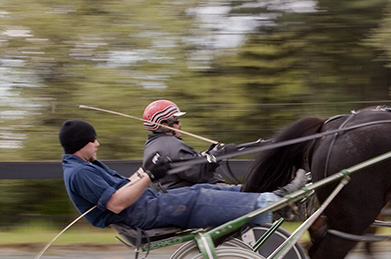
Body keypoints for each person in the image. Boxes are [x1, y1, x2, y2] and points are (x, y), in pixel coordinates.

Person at [59, 120, 305, 231]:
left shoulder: (84, 166)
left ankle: (272, 195)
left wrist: (149, 170)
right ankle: (273, 205)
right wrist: (149, 177)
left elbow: (125, 186)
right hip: (139, 213)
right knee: (198, 197)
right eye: (93, 140)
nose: (98, 144)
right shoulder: (80, 172)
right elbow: (116, 203)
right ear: (82, 143)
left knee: (209, 191)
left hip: (145, 204)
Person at [142, 100, 233, 190]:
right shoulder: (172, 145)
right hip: (186, 197)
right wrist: (217, 156)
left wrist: (209, 153)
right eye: (176, 122)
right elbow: (198, 173)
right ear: (165, 125)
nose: (180, 125)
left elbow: (188, 162)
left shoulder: (152, 144)